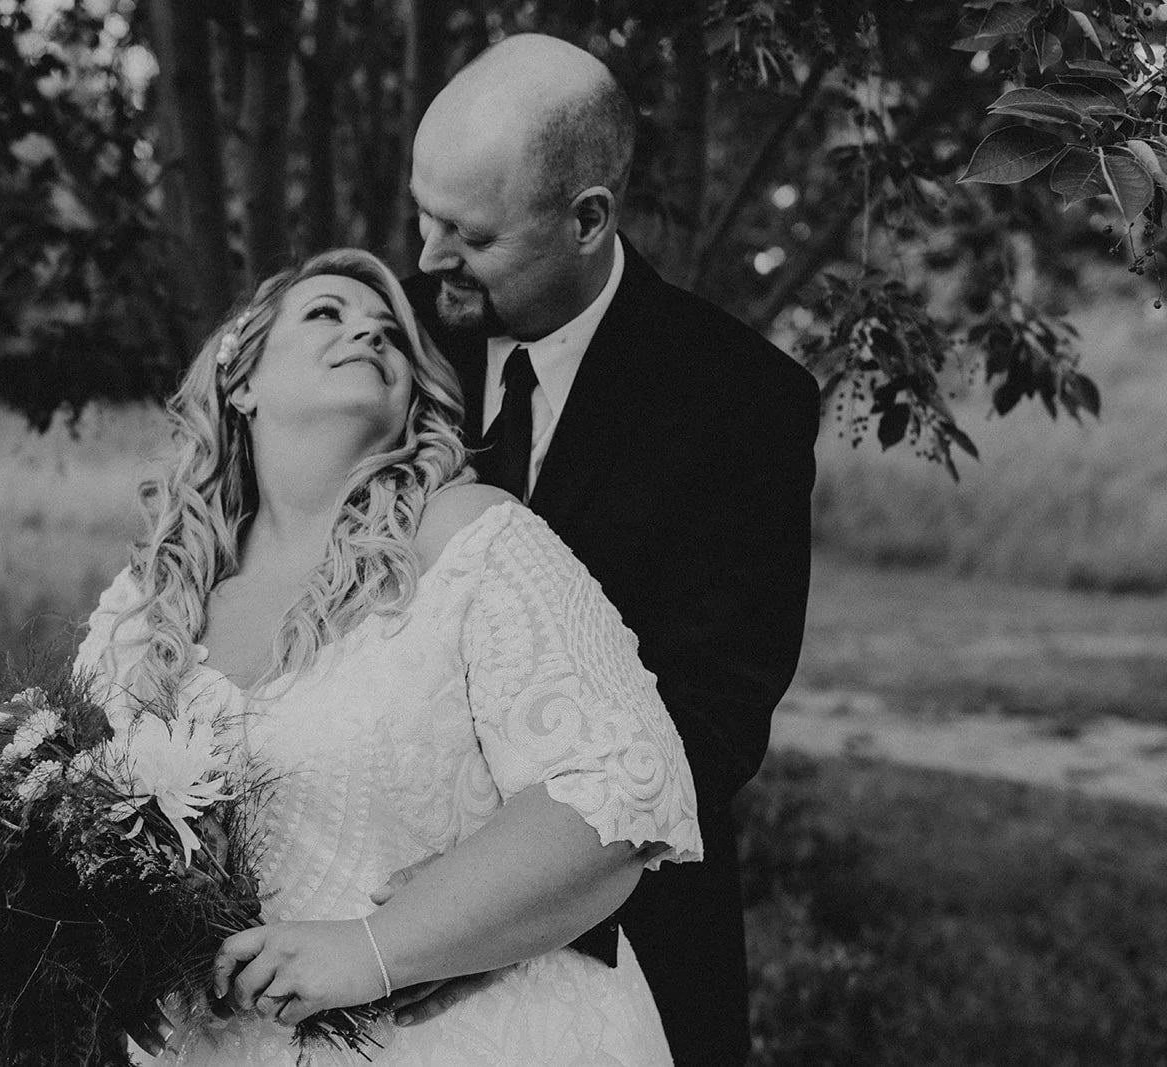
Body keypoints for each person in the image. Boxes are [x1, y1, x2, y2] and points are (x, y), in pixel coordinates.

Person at [73, 247, 702, 1065]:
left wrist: (378, 945)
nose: (369, 332)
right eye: (326, 313)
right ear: (241, 381)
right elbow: (68, 825)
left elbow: (621, 788)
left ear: (413, 397)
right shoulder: (147, 602)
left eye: (391, 335)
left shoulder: (469, 538)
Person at [391, 33, 821, 1067]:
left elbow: (710, 717)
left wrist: (480, 905)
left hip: (619, 938)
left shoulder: (741, 401)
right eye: (424, 215)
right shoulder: (383, 345)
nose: (430, 257)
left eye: (471, 234)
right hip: (365, 903)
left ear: (588, 219)